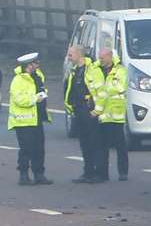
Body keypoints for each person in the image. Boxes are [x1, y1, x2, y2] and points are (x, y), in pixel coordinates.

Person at [8, 52, 53, 186]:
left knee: (39, 148)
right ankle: (23, 175)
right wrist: (35, 99)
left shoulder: (38, 77)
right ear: (29, 65)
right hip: (23, 121)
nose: (38, 65)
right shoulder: (18, 80)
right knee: (26, 149)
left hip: (37, 118)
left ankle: (39, 174)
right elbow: (19, 99)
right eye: (36, 63)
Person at [64, 44, 104, 183]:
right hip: (79, 110)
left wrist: (96, 111)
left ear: (79, 54)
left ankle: (98, 174)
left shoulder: (93, 70)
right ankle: (87, 172)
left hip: (89, 111)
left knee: (94, 143)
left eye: (70, 54)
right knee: (84, 143)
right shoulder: (75, 70)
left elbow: (101, 93)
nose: (68, 57)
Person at [96, 47, 128, 181]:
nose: (100, 60)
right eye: (100, 57)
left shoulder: (120, 70)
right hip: (102, 114)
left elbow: (121, 87)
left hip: (116, 116)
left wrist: (103, 89)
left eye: (102, 57)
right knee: (102, 146)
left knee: (120, 146)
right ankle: (103, 174)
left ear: (109, 56)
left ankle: (123, 172)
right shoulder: (96, 70)